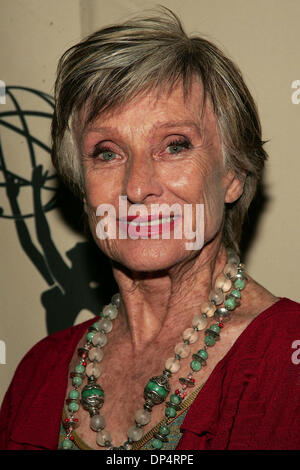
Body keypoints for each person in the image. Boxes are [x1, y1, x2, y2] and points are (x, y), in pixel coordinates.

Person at [0, 8, 299, 451]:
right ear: (82, 189)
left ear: (232, 173)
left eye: (174, 146)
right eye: (106, 152)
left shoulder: (285, 360)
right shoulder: (39, 371)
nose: (137, 187)